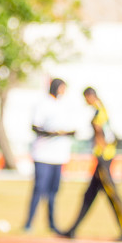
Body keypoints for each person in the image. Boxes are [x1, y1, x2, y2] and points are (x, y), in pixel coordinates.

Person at [59, 88, 122, 240]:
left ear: (90, 96)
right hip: (104, 156)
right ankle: (72, 230)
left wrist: (100, 152)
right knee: (89, 195)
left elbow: (100, 133)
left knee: (113, 195)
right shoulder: (102, 109)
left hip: (103, 159)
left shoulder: (98, 112)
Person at [23, 78, 77, 233]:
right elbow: (35, 127)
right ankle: (29, 222)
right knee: (39, 188)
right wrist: (51, 133)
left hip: (59, 155)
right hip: (43, 154)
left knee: (54, 191)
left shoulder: (65, 106)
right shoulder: (43, 104)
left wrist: (67, 133)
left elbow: (72, 128)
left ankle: (52, 223)